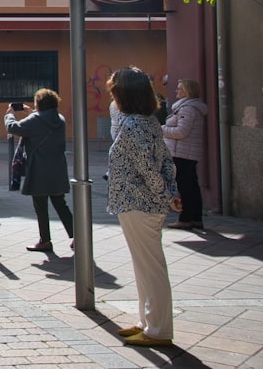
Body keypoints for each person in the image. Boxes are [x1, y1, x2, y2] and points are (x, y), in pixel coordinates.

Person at [107, 66, 182, 347]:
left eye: (114, 91)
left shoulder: (133, 125)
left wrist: (165, 194)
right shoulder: (147, 120)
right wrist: (170, 192)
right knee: (145, 267)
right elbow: (164, 161)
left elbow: (148, 167)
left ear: (124, 94)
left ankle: (158, 329)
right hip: (140, 202)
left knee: (150, 268)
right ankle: (147, 321)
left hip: (140, 203)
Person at [5, 89, 73, 252]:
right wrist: (33, 113)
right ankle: (77, 235)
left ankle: (45, 240)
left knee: (40, 205)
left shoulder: (35, 119)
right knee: (60, 203)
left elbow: (14, 128)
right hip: (57, 168)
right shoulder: (60, 119)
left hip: (38, 168)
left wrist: (9, 115)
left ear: (39, 103)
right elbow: (41, 122)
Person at [163, 79, 207, 230]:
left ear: (188, 91)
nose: (176, 91)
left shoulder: (187, 109)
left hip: (183, 153)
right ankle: (196, 218)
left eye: (180, 88)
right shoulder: (189, 107)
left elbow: (181, 132)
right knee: (192, 185)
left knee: (185, 186)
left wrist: (161, 129)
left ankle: (186, 218)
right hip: (186, 152)